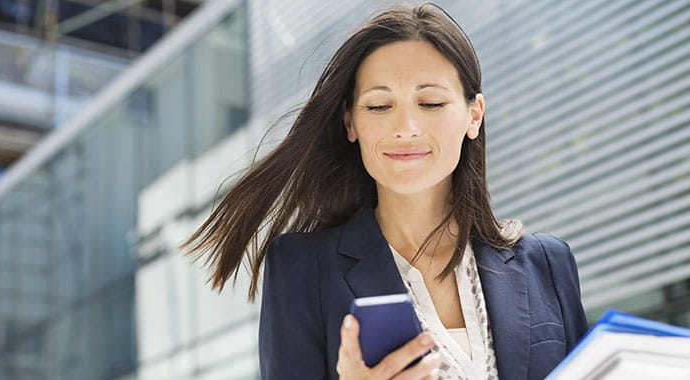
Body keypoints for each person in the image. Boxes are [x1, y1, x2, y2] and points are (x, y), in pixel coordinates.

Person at [180, 3, 588, 379]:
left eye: (430, 103)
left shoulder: (547, 264)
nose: (406, 127)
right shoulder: (303, 271)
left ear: (473, 115)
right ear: (350, 123)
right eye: (378, 106)